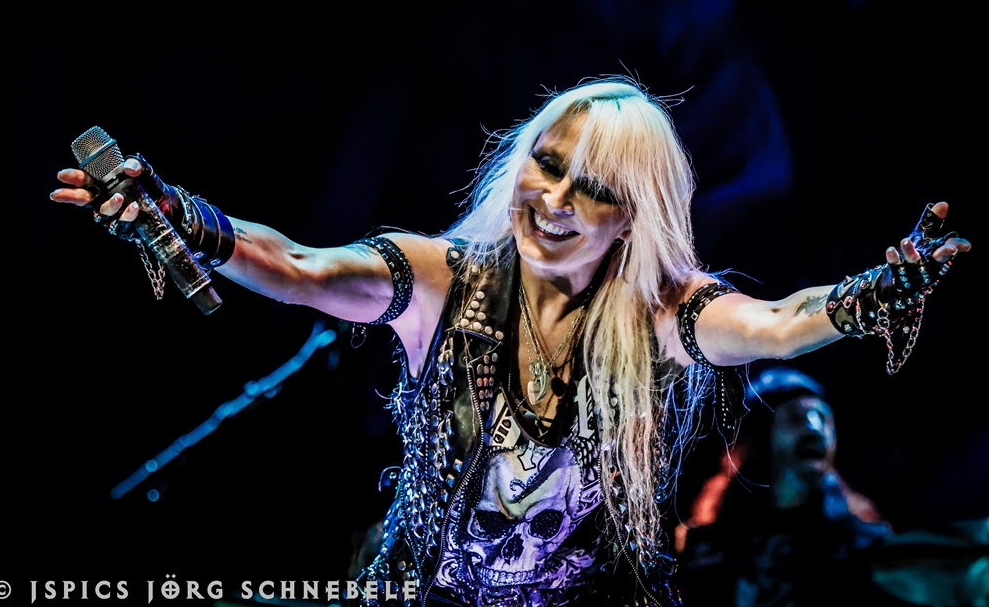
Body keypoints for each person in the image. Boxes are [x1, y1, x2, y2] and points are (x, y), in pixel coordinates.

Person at [49, 77, 971, 607]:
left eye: (592, 189)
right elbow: (298, 265)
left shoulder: (659, 312)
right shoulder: (442, 278)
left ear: (632, 217)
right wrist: (186, 216)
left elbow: (775, 324)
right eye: (547, 165)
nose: (555, 200)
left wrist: (866, 297)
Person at [673, 366, 901, 607]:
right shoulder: (705, 548)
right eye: (795, 418)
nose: (814, 429)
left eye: (823, 418)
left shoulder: (863, 544)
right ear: (759, 437)